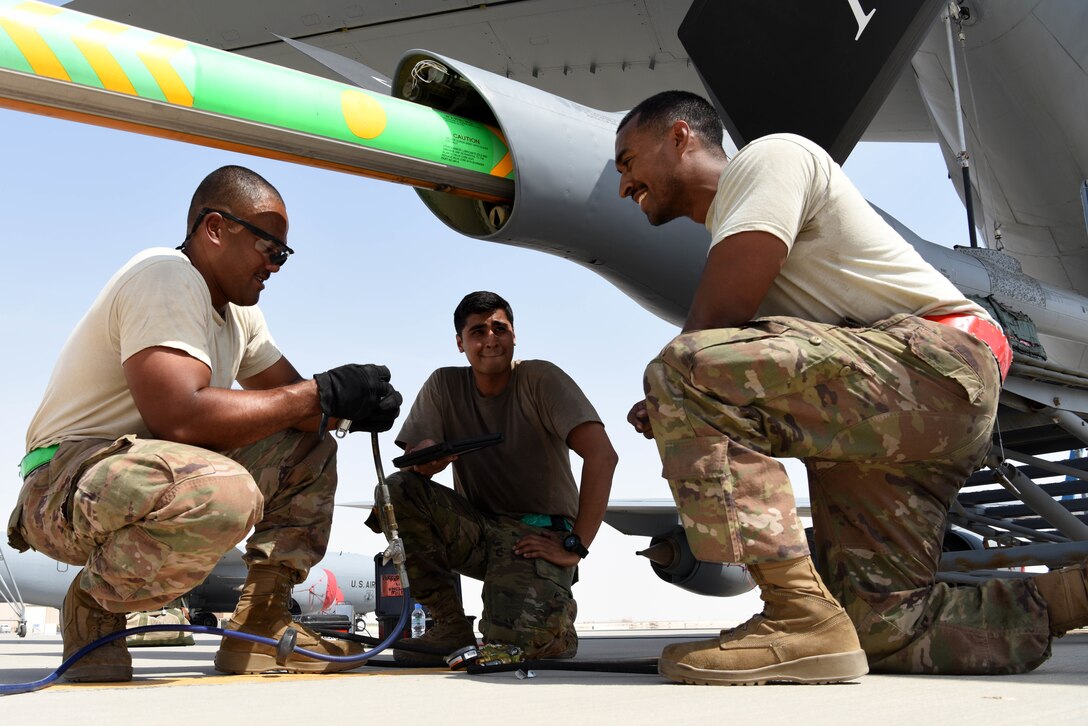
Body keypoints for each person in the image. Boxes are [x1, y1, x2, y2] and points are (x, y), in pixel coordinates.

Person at [614, 91, 1088, 685]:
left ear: (680, 136)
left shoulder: (769, 160)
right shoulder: (738, 221)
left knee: (683, 367)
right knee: (880, 628)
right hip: (899, 415)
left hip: (936, 364)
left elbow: (716, 322)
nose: (624, 184)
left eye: (628, 161)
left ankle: (795, 615)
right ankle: (1073, 596)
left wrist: (673, 388)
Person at [7, 166, 402, 682]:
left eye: (284, 254)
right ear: (215, 229)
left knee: (310, 445)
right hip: (62, 482)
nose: (276, 265)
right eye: (270, 248)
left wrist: (349, 404)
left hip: (142, 474)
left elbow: (297, 411)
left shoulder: (239, 314)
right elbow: (180, 417)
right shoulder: (164, 275)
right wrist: (320, 392)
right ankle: (94, 604)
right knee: (221, 491)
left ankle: (260, 624)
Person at [368, 291, 618, 665]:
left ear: (514, 335)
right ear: (460, 342)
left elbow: (603, 456)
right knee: (396, 490)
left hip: (538, 534)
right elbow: (412, 463)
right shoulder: (444, 385)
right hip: (480, 531)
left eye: (499, 328)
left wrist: (575, 545)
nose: (490, 340)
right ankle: (449, 624)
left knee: (515, 649)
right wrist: (426, 461)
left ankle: (556, 628)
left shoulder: (540, 378)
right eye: (477, 331)